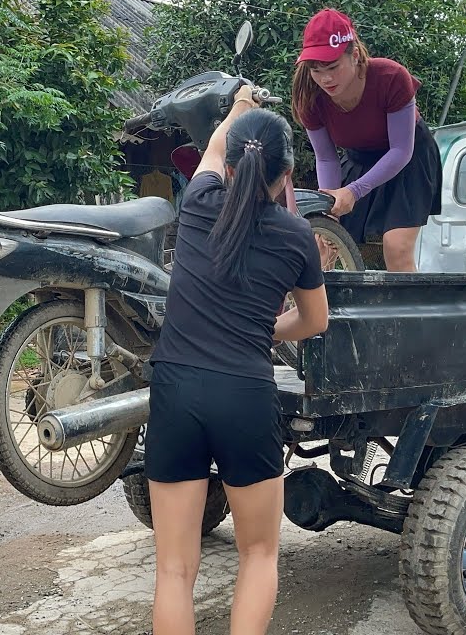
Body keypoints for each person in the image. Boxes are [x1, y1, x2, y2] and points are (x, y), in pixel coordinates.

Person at [145, 87, 330, 635]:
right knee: (259, 555)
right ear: (287, 175)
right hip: (243, 396)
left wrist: (239, 106)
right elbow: (315, 321)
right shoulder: (297, 236)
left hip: (174, 389)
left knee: (174, 570)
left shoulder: (198, 202)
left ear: (229, 163)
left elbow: (213, 152)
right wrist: (267, 329)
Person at [290, 8, 443, 272]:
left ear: (355, 55)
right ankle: (315, 313)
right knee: (324, 243)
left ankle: (406, 313)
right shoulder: (309, 95)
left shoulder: (391, 77)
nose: (325, 78)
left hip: (408, 158)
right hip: (358, 157)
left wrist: (353, 191)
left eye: (333, 67)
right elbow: (326, 157)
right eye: (316, 69)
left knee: (396, 248)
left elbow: (401, 150)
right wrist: (330, 206)